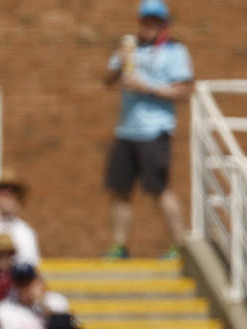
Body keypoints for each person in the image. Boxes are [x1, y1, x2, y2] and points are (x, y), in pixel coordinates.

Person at [103, 0, 193, 258]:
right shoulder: (130, 48)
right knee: (119, 189)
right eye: (146, 20)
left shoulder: (174, 51)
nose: (150, 25)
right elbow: (107, 79)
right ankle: (119, 246)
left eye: (155, 21)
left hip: (155, 129)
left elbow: (183, 90)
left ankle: (180, 244)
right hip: (126, 129)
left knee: (159, 188)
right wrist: (119, 63)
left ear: (163, 23)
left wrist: (147, 87)